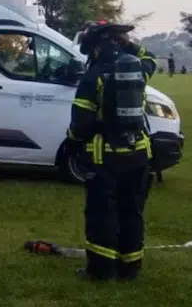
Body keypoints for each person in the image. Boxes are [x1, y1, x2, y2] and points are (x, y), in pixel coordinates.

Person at [67, 19, 157, 282]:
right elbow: (149, 57)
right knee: (132, 212)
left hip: (105, 156)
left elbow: (81, 123)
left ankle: (101, 270)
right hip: (139, 152)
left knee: (102, 213)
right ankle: (130, 268)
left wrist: (72, 144)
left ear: (93, 47)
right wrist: (127, 43)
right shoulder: (138, 68)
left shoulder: (94, 76)